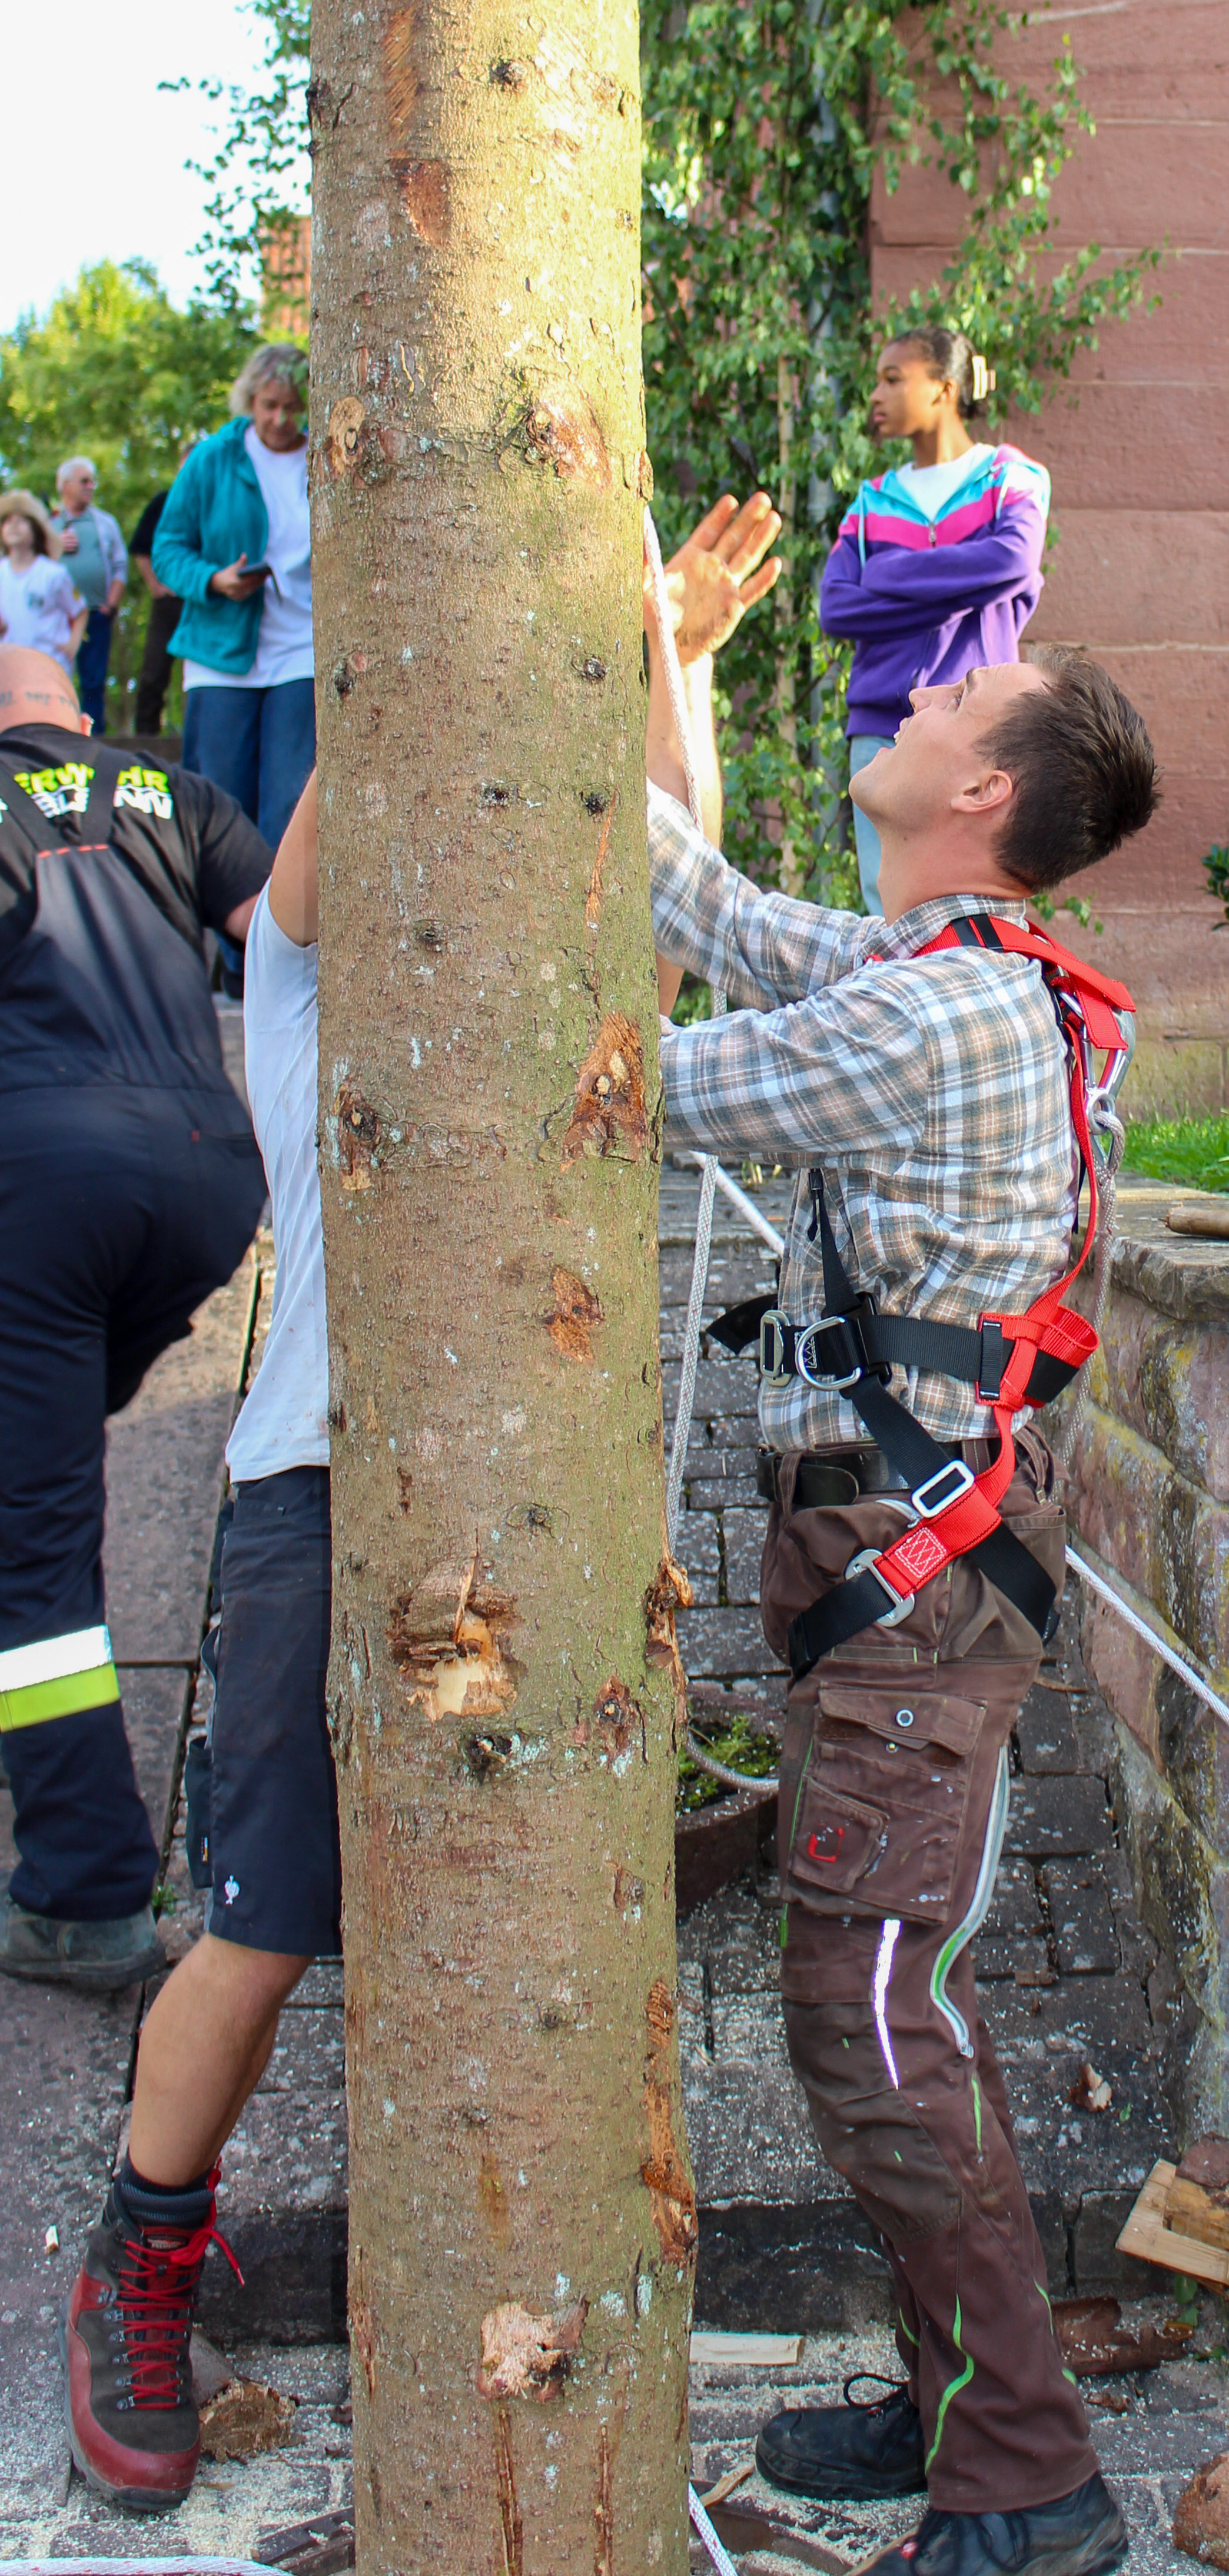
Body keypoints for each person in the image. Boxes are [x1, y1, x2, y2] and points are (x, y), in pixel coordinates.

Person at [59, 497, 783, 2516]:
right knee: (268, 1923)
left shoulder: (574, 1018)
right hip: (311, 1502)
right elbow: (331, 808)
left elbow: (657, 881)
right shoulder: (305, 995)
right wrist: (433, 582)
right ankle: (139, 2254)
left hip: (537, 1519)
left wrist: (664, 655)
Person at [647, 506, 1157, 2576]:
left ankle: (1026, 2476)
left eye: (948, 694)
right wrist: (656, 646)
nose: (912, 691)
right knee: (885, 2002)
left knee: (866, 2024)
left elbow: (630, 1082)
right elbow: (698, 900)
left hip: (911, 1590)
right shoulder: (954, 973)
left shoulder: (936, 1013)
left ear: (982, 794)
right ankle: (951, 2389)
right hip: (913, 1589)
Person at [0, 647, 270, 1995]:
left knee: (34, 1553)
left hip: (43, 1187)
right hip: (209, 1177)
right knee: (30, 1468)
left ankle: (84, 1889)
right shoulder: (171, 791)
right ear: (76, 717)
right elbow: (288, 928)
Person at [820, 328, 1049, 915]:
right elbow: (838, 607)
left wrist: (891, 573)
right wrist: (966, 587)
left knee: (981, 898)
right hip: (881, 729)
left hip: (976, 726)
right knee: (887, 897)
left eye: (893, 378)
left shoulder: (1012, 479)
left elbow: (1013, 560)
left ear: (944, 388)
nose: (876, 393)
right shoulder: (870, 504)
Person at [147, 341, 315, 871]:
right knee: (220, 808)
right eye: (269, 405)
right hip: (221, 652)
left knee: (292, 807)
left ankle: (285, 948)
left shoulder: (328, 454)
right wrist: (214, 580)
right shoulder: (212, 459)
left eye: (292, 406)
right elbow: (168, 549)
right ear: (250, 400)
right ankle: (223, 950)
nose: (281, 419)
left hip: (301, 649)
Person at [51, 459, 129, 733]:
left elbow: (121, 565)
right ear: (65, 485)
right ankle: (57, 734)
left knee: (94, 680)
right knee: (55, 678)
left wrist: (111, 604)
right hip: (56, 618)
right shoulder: (47, 524)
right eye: (84, 481)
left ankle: (93, 740)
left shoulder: (106, 523)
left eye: (92, 481)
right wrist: (54, 544)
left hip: (97, 614)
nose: (90, 486)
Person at [0, 492, 89, 665]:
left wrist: (73, 643)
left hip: (48, 665)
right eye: (8, 521)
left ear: (36, 530)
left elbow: (80, 610)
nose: (14, 526)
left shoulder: (54, 574)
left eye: (22, 521)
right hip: (9, 667)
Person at [126, 489, 180, 739]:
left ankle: (197, 736)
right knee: (154, 670)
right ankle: (146, 738)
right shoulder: (163, 502)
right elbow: (140, 548)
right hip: (168, 601)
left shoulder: (221, 499)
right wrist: (155, 587)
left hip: (208, 601)